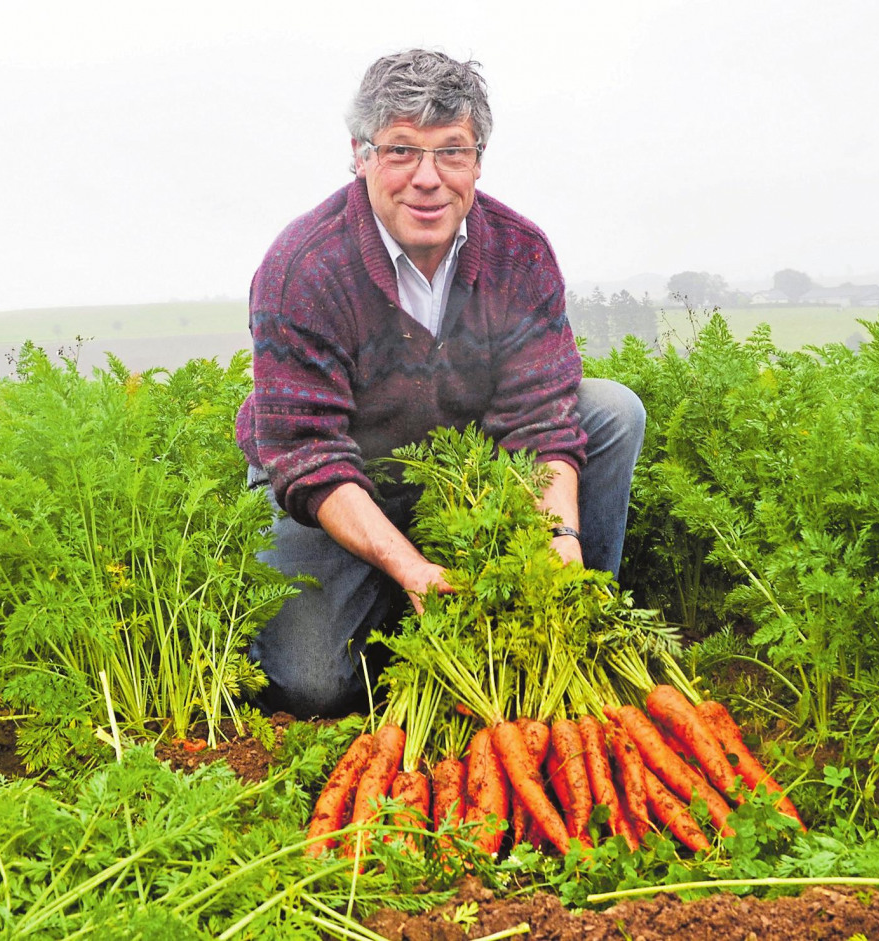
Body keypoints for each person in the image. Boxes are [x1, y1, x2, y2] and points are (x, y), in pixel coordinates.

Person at [235, 49, 645, 718]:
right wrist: (407, 564)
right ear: (360, 155)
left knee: (611, 411)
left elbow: (542, 422)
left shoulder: (520, 252)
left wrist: (559, 541)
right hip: (330, 484)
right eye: (401, 150)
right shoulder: (304, 268)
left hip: (459, 467)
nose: (428, 179)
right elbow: (308, 454)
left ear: (477, 160)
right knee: (313, 685)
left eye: (451, 152)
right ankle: (393, 583)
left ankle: (571, 613)